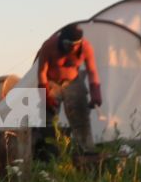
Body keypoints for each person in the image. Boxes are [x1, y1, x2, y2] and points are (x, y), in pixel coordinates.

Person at [36, 23, 101, 158]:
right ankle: (48, 153)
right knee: (47, 117)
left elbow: (92, 70)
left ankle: (86, 151)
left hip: (73, 82)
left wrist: (95, 91)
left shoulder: (86, 47)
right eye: (69, 45)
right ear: (62, 41)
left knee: (81, 115)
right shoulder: (49, 45)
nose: (73, 48)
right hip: (52, 82)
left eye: (76, 44)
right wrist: (45, 94)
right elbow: (42, 71)